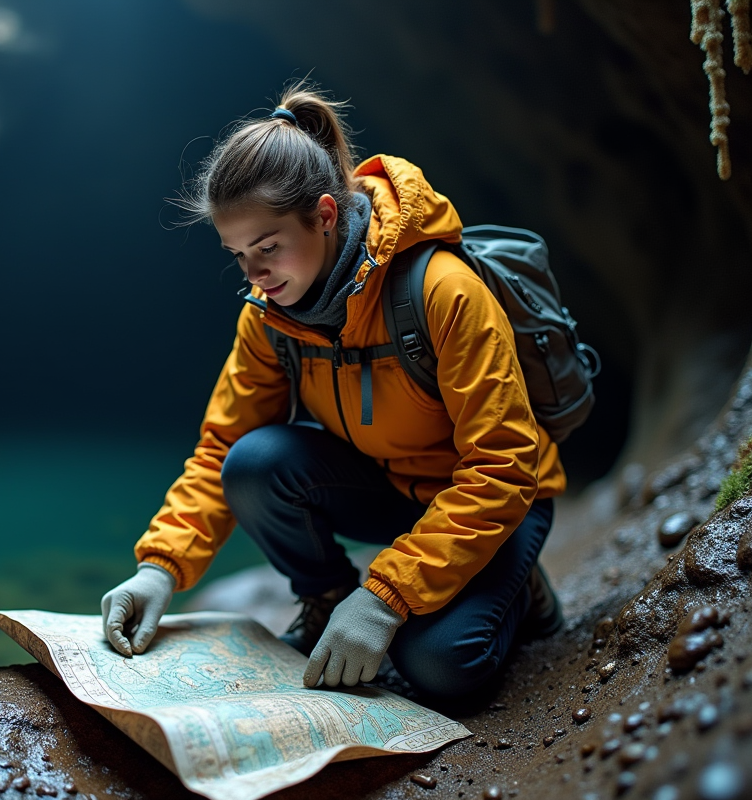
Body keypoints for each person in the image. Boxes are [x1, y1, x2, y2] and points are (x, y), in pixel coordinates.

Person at [100, 81, 566, 702]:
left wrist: (384, 598)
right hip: (390, 487)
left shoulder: (443, 292)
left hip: (495, 501)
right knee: (254, 463)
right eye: (238, 255)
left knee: (441, 668)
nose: (255, 273)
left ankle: (522, 587)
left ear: (324, 215)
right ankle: (326, 602)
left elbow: (503, 468)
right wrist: (159, 567)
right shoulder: (269, 315)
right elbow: (222, 449)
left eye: (268, 248)